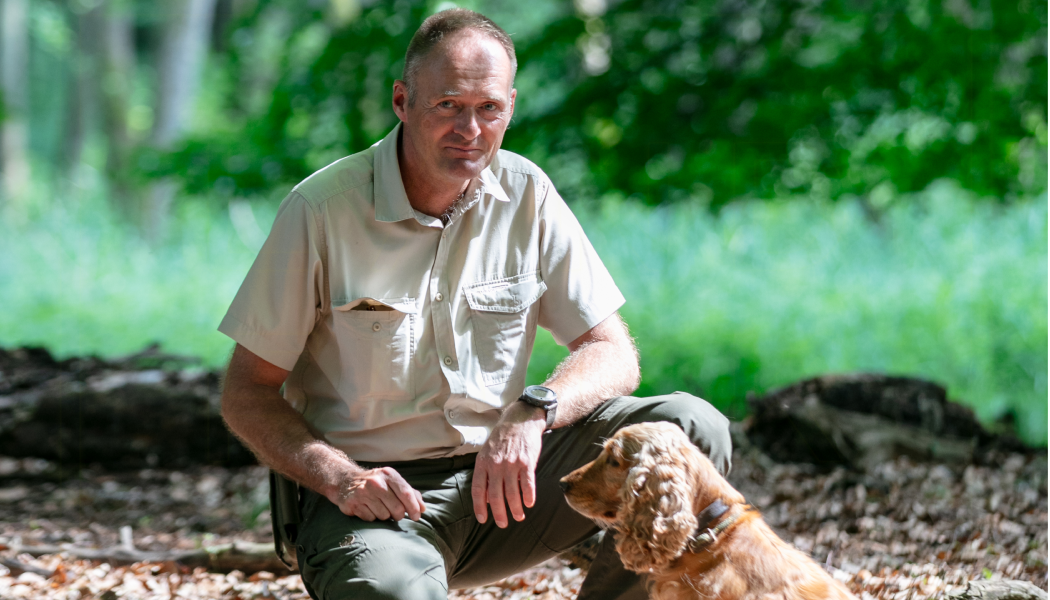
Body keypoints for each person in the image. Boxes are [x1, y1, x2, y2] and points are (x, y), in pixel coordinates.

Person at [218, 8, 731, 599]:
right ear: (402, 101)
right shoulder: (321, 211)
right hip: (376, 501)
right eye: (447, 106)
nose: (470, 128)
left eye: (489, 109)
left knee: (687, 428)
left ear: (509, 106)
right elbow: (246, 392)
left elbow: (611, 350)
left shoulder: (527, 194)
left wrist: (533, 410)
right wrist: (341, 479)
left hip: (512, 482)